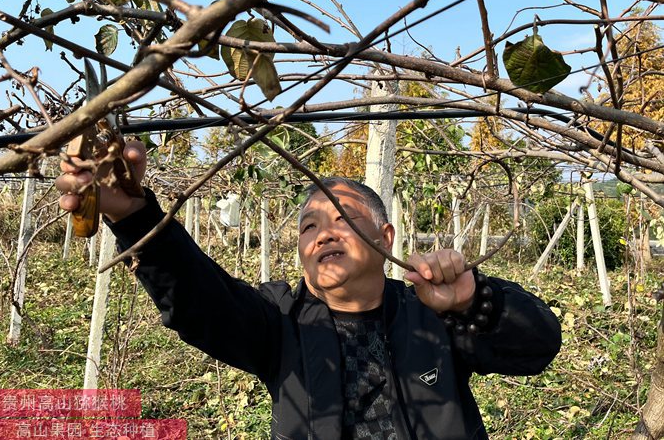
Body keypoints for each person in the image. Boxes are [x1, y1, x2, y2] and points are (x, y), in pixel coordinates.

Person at [57, 141, 561, 440]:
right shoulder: (279, 320)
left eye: (343, 219)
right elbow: (199, 300)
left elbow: (538, 346)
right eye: (308, 226)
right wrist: (137, 216)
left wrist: (474, 302)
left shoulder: (431, 314)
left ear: (386, 239)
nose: (323, 232)